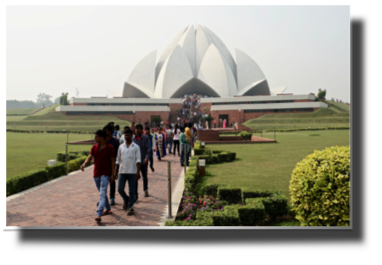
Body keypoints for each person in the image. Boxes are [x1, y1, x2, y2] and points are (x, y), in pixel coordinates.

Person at [81, 129, 115, 223]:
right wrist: (84, 164)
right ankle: (107, 208)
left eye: (96, 136)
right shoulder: (94, 147)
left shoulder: (110, 148)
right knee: (102, 192)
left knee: (102, 192)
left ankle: (98, 213)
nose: (95, 138)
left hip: (105, 174)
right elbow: (89, 157)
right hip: (96, 174)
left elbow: (113, 162)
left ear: (102, 137)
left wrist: (113, 174)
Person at [114, 128, 141, 216]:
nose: (126, 136)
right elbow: (117, 160)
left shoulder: (136, 147)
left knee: (131, 191)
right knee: (120, 189)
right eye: (125, 135)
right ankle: (126, 199)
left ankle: (130, 207)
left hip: (132, 171)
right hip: (122, 171)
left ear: (131, 136)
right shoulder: (121, 146)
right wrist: (115, 172)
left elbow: (138, 160)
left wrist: (138, 172)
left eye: (128, 135)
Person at [103, 124, 120, 206]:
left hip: (112, 164)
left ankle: (112, 198)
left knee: (112, 181)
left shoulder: (115, 142)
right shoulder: (103, 141)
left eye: (106, 130)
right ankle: (104, 199)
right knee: (103, 183)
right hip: (104, 164)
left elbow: (118, 155)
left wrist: (116, 168)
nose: (105, 132)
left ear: (110, 131)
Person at [133, 123, 150, 199]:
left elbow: (148, 149)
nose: (137, 130)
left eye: (138, 128)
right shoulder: (133, 139)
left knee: (144, 176)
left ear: (141, 129)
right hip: (135, 162)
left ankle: (145, 190)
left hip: (143, 160)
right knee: (135, 177)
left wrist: (147, 158)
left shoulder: (145, 138)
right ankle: (135, 194)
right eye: (136, 128)